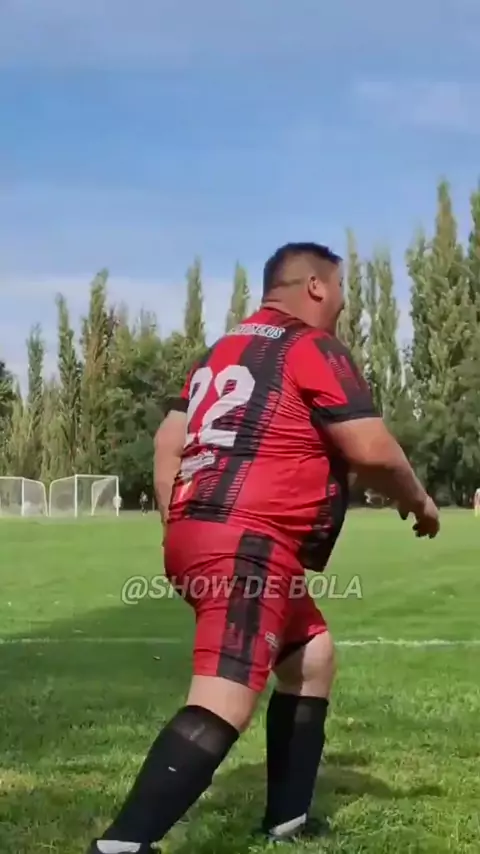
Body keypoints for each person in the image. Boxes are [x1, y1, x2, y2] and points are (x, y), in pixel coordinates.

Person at [88, 242, 439, 854]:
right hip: (249, 541)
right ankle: (119, 847)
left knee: (310, 655)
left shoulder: (220, 350)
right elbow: (371, 448)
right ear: (316, 287)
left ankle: (287, 822)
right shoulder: (310, 346)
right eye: (340, 287)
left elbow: (169, 440)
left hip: (208, 532)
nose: (343, 301)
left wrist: (181, 521)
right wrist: (419, 500)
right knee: (223, 697)